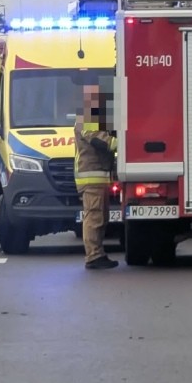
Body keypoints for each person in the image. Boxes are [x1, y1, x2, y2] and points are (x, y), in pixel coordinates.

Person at [75, 84, 119, 269]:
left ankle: (97, 253)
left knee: (100, 216)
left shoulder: (94, 118)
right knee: (94, 217)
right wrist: (119, 143)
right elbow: (98, 139)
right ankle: (93, 256)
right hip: (91, 178)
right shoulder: (87, 119)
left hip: (98, 177)